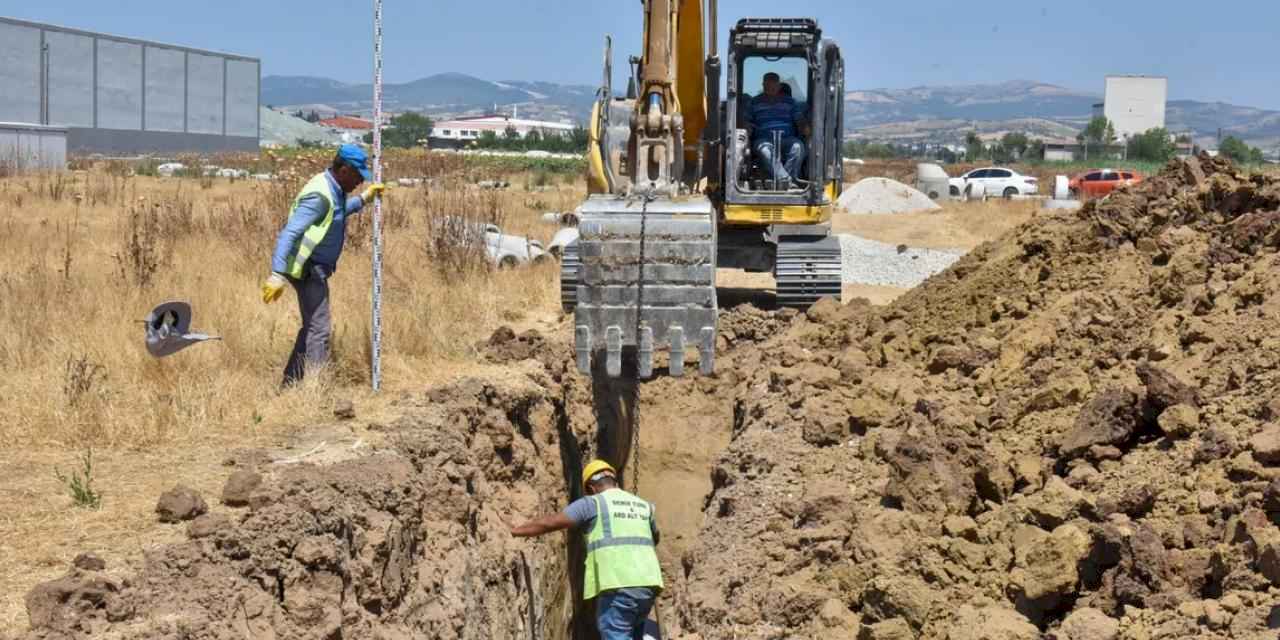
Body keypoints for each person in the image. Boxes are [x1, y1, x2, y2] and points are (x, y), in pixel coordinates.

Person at [261, 144, 385, 385]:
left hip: (314, 268)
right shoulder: (320, 195)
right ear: (345, 170)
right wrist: (277, 274)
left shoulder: (334, 189)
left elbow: (336, 213)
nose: (360, 181)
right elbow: (289, 233)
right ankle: (315, 386)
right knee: (319, 329)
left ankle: (291, 381)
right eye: (358, 176)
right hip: (308, 269)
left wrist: (363, 199)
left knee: (311, 327)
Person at [510, 460, 663, 640]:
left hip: (618, 585)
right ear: (615, 481)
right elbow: (655, 537)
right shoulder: (643, 505)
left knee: (616, 633)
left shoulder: (592, 504)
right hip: (648, 585)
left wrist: (514, 531)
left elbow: (550, 523)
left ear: (590, 488)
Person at [746, 71, 810, 187]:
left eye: (773, 85)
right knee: (765, 151)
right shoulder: (754, 102)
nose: (770, 88)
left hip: (787, 139)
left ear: (779, 86)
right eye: (767, 85)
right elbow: (747, 122)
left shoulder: (790, 102)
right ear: (763, 85)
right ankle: (787, 181)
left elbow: (799, 119)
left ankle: (784, 182)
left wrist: (804, 127)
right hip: (763, 139)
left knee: (798, 147)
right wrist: (746, 129)